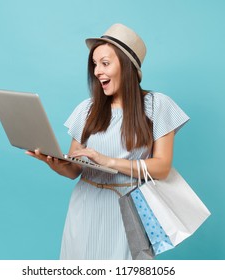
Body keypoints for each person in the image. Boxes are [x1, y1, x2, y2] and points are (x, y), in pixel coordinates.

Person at [26, 23, 189, 259]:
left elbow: (162, 167)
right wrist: (55, 163)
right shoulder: (87, 109)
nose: (96, 72)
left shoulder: (157, 105)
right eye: (94, 64)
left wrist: (108, 162)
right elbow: (74, 169)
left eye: (105, 63)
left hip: (128, 212)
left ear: (127, 66)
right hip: (85, 207)